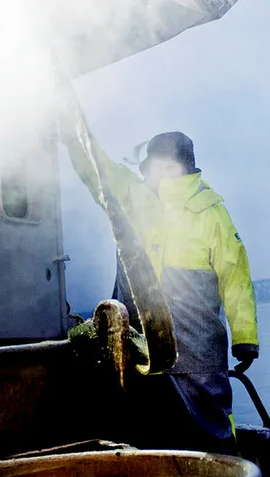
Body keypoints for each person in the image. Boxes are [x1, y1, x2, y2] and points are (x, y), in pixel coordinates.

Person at [59, 105, 259, 455]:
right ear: (147, 170)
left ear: (187, 170)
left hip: (197, 352)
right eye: (156, 168)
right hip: (138, 349)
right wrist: (73, 136)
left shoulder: (211, 212)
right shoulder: (130, 196)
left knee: (211, 434)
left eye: (171, 168)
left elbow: (235, 276)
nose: (162, 176)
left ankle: (226, 474)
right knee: (145, 432)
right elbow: (97, 169)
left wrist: (245, 338)